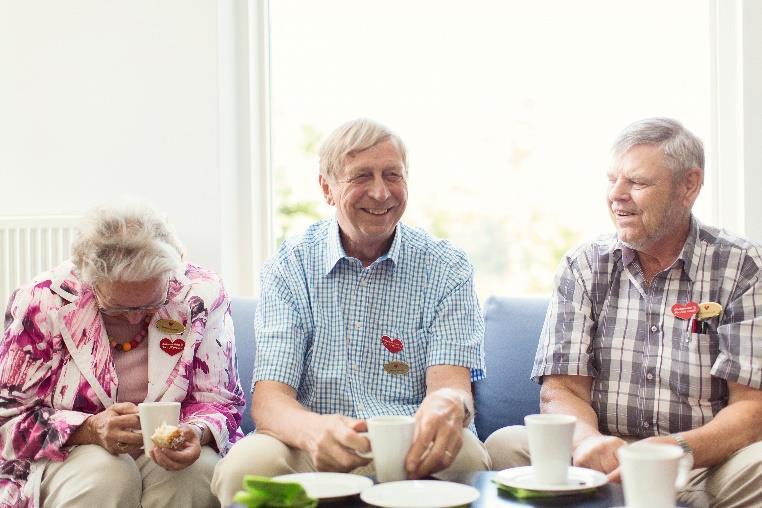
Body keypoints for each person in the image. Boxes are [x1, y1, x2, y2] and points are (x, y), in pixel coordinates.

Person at [485, 118, 762, 507]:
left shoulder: (742, 266)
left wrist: (674, 449)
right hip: (603, 451)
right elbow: (561, 389)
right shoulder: (583, 265)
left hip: (700, 459)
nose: (617, 195)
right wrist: (587, 440)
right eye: (612, 180)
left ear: (689, 184)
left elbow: (751, 408)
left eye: (637, 182)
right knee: (506, 446)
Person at [212, 118, 490, 504]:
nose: (380, 192)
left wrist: (447, 406)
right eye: (362, 176)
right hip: (309, 441)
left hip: (413, 441)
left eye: (393, 175)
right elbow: (270, 401)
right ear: (327, 188)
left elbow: (450, 387)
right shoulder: (289, 266)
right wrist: (313, 432)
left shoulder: (447, 267)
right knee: (246, 468)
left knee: (468, 456)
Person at [0, 203, 245, 508]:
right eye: (117, 308)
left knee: (196, 473)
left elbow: (221, 402)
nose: (133, 321)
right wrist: (87, 429)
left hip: (167, 449)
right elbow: (8, 421)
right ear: (88, 280)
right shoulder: (42, 301)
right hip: (71, 452)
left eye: (149, 305)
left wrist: (196, 431)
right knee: (106, 474)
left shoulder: (201, 295)